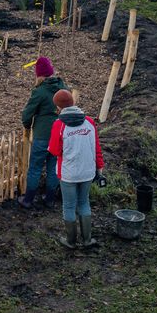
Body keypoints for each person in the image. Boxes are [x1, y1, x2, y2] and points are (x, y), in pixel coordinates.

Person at [48, 89, 104, 249]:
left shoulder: (59, 125)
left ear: (58, 107)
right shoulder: (89, 122)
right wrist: (99, 167)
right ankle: (87, 240)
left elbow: (54, 150)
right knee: (84, 203)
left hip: (69, 174)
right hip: (87, 171)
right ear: (73, 102)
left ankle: (71, 241)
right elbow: (96, 148)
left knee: (69, 206)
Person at [19, 56, 67, 208]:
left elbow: (27, 113)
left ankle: (28, 200)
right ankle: (50, 199)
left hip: (42, 136)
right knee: (53, 167)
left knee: (35, 167)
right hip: (59, 135)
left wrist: (27, 125)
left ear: (39, 74)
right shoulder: (63, 88)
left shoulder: (39, 91)